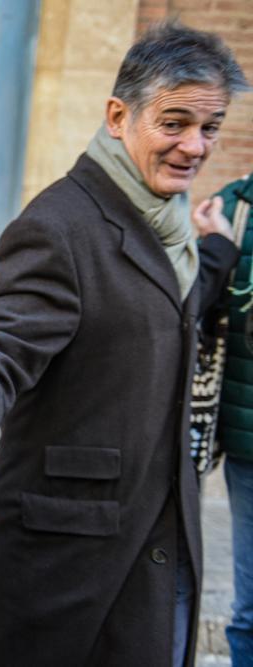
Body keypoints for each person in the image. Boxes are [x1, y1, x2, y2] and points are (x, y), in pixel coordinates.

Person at [0, 22, 247, 667]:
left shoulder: (170, 225)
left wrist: (217, 251)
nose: (194, 146)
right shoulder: (57, 227)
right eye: (174, 122)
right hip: (69, 560)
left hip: (162, 537)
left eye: (209, 128)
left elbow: (163, 310)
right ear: (118, 116)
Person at [197, 171, 253, 666]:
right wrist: (213, 248)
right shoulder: (234, 206)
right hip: (248, 444)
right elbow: (199, 311)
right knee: (250, 608)